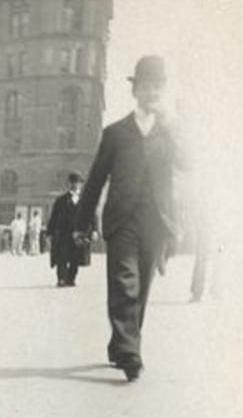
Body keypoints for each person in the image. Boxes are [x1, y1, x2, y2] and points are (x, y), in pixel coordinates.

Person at [74, 55, 188, 382]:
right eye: (146, 85)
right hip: (122, 220)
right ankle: (128, 352)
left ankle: (122, 343)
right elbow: (95, 180)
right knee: (125, 282)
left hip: (158, 221)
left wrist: (174, 125)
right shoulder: (116, 133)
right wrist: (82, 224)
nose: (152, 91)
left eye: (158, 86)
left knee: (142, 289)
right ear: (135, 90)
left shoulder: (169, 130)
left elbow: (189, 164)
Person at [48, 172, 92, 287]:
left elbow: (90, 216)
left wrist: (94, 230)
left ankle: (71, 278)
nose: (75, 185)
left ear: (81, 185)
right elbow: (54, 217)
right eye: (73, 183)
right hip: (63, 233)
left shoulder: (85, 201)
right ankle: (61, 278)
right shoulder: (61, 201)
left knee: (75, 257)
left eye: (77, 183)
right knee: (61, 256)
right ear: (68, 184)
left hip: (78, 234)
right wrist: (50, 232)